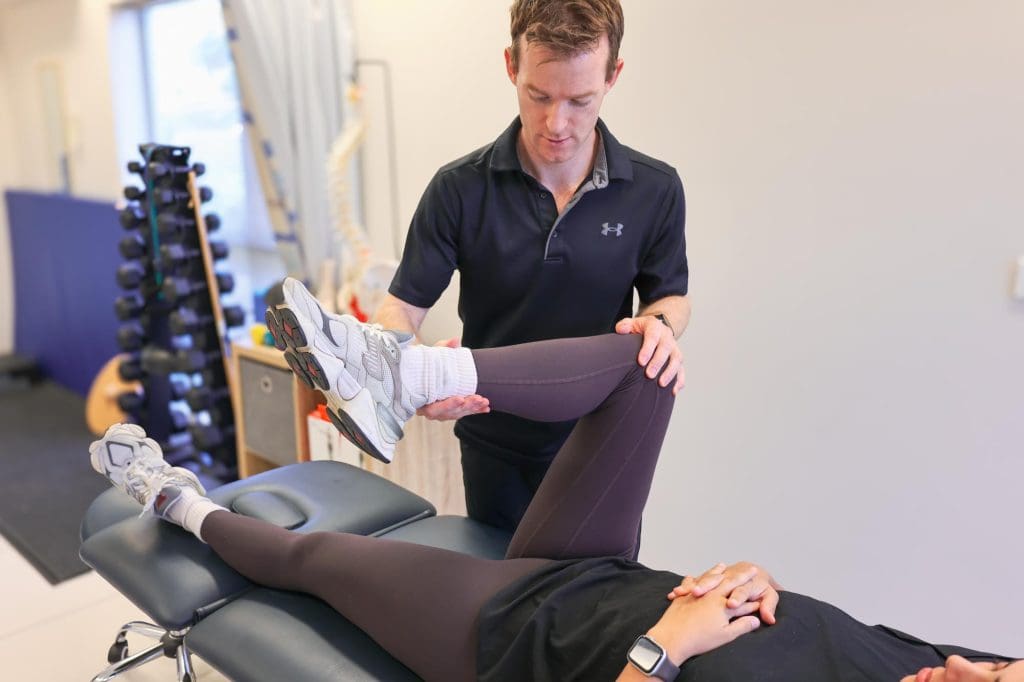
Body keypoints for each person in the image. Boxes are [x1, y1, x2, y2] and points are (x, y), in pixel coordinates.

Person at [92, 281, 1019, 682]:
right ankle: (407, 379)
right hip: (603, 574)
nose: (968, 667)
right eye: (1000, 664)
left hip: (516, 640)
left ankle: (174, 498)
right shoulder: (936, 661)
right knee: (644, 359)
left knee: (312, 557)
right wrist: (757, 584)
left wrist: (671, 646)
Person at [373, 0, 690, 534]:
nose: (556, 122)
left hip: (603, 442)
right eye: (538, 95)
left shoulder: (655, 190)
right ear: (510, 67)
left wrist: (658, 328)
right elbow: (400, 306)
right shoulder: (459, 189)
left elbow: (670, 297)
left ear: (613, 76)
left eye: (580, 100)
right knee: (507, 603)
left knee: (598, 606)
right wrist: (413, 377)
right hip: (497, 445)